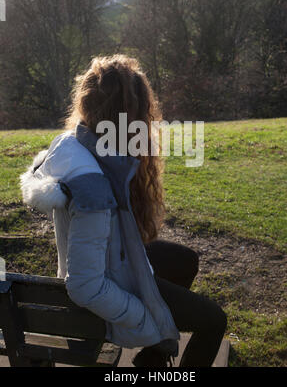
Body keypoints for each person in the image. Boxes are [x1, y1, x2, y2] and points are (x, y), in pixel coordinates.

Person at [20, 54, 227, 367]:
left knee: (184, 261)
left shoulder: (77, 143)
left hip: (110, 256)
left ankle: (152, 362)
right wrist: (147, 322)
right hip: (103, 289)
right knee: (214, 321)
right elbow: (85, 285)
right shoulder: (92, 186)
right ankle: (160, 354)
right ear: (128, 117)